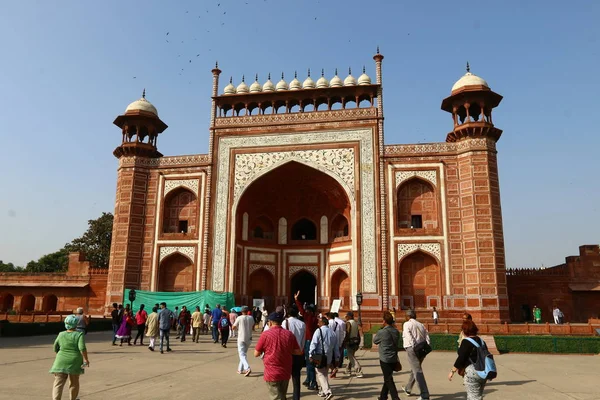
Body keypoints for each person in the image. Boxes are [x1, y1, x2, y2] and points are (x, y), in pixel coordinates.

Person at [254, 312, 302, 400]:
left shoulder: (265, 335)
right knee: (282, 395)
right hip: (285, 371)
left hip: (271, 371)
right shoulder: (289, 334)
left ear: (270, 322)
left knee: (276, 397)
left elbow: (256, 353)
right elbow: (298, 352)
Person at [49, 314, 90, 400]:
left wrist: (59, 354)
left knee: (58, 383)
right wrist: (86, 359)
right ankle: (73, 398)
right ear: (76, 324)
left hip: (61, 360)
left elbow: (55, 347)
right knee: (74, 382)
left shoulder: (61, 334)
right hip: (75, 361)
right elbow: (82, 348)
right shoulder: (79, 335)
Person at [449, 320, 487, 400]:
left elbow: (461, 358)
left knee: (473, 398)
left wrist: (452, 371)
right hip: (483, 372)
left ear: (464, 331)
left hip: (472, 372)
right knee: (476, 396)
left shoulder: (466, 342)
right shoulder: (482, 341)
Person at [402, 309, 430, 400]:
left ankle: (424, 394)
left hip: (413, 349)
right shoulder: (421, 324)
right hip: (422, 349)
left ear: (408, 316)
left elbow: (408, 336)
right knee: (415, 369)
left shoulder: (407, 324)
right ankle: (408, 388)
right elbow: (427, 336)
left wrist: (414, 346)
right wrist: (426, 345)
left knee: (417, 371)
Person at [373, 311, 402, 400]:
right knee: (388, 377)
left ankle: (396, 398)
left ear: (384, 321)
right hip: (393, 357)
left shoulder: (382, 332)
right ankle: (383, 397)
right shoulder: (396, 331)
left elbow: (375, 341)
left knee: (388, 379)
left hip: (385, 358)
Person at [309, 316, 339, 400]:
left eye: (319, 322)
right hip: (328, 357)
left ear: (323, 323)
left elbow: (313, 343)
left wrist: (310, 354)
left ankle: (327, 392)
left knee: (320, 374)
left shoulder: (318, 331)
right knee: (324, 374)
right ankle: (322, 391)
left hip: (319, 356)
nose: (318, 323)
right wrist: (337, 358)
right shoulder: (332, 332)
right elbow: (336, 347)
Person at [295, 291, 319, 391]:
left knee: (309, 363)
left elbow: (301, 310)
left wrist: (296, 299)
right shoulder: (316, 319)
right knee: (309, 362)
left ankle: (313, 382)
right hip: (313, 341)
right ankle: (308, 378)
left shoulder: (308, 317)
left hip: (309, 341)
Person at [282, 306, 306, 400]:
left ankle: (283, 395)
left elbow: (283, 337)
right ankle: (296, 397)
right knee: (296, 377)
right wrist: (301, 349)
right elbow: (303, 340)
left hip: (288, 353)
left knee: (284, 376)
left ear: (288, 313)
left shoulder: (285, 322)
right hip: (298, 353)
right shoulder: (302, 324)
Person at [233, 305, 255, 376]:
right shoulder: (251, 317)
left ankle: (247, 368)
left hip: (241, 338)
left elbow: (234, 327)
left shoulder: (239, 318)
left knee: (241, 354)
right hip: (248, 338)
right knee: (243, 354)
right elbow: (253, 326)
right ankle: (240, 369)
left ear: (242, 311)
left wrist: (236, 329)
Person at [344, 311, 363, 377]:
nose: (345, 318)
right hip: (355, 341)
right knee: (351, 356)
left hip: (350, 342)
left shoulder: (349, 323)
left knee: (351, 357)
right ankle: (348, 369)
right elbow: (358, 333)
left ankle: (358, 371)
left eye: (346, 316)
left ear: (349, 316)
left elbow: (347, 333)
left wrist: (345, 341)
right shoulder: (355, 322)